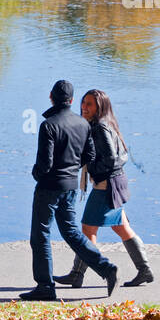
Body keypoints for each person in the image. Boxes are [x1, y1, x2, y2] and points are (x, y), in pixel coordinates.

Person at [20, 79, 119, 302]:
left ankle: (45, 285)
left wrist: (36, 174)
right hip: (71, 186)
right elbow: (90, 156)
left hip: (49, 188)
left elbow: (44, 164)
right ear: (72, 100)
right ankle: (106, 268)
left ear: (51, 97)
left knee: (40, 236)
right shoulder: (83, 124)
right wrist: (73, 168)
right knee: (72, 233)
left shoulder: (49, 125)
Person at [54, 88, 154, 288]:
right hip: (116, 183)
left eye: (89, 104)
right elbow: (123, 154)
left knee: (87, 229)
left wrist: (93, 170)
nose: (84, 107)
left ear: (100, 107)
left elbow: (110, 158)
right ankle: (144, 270)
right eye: (83, 103)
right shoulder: (107, 124)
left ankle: (77, 274)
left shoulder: (99, 128)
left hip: (106, 185)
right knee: (121, 227)